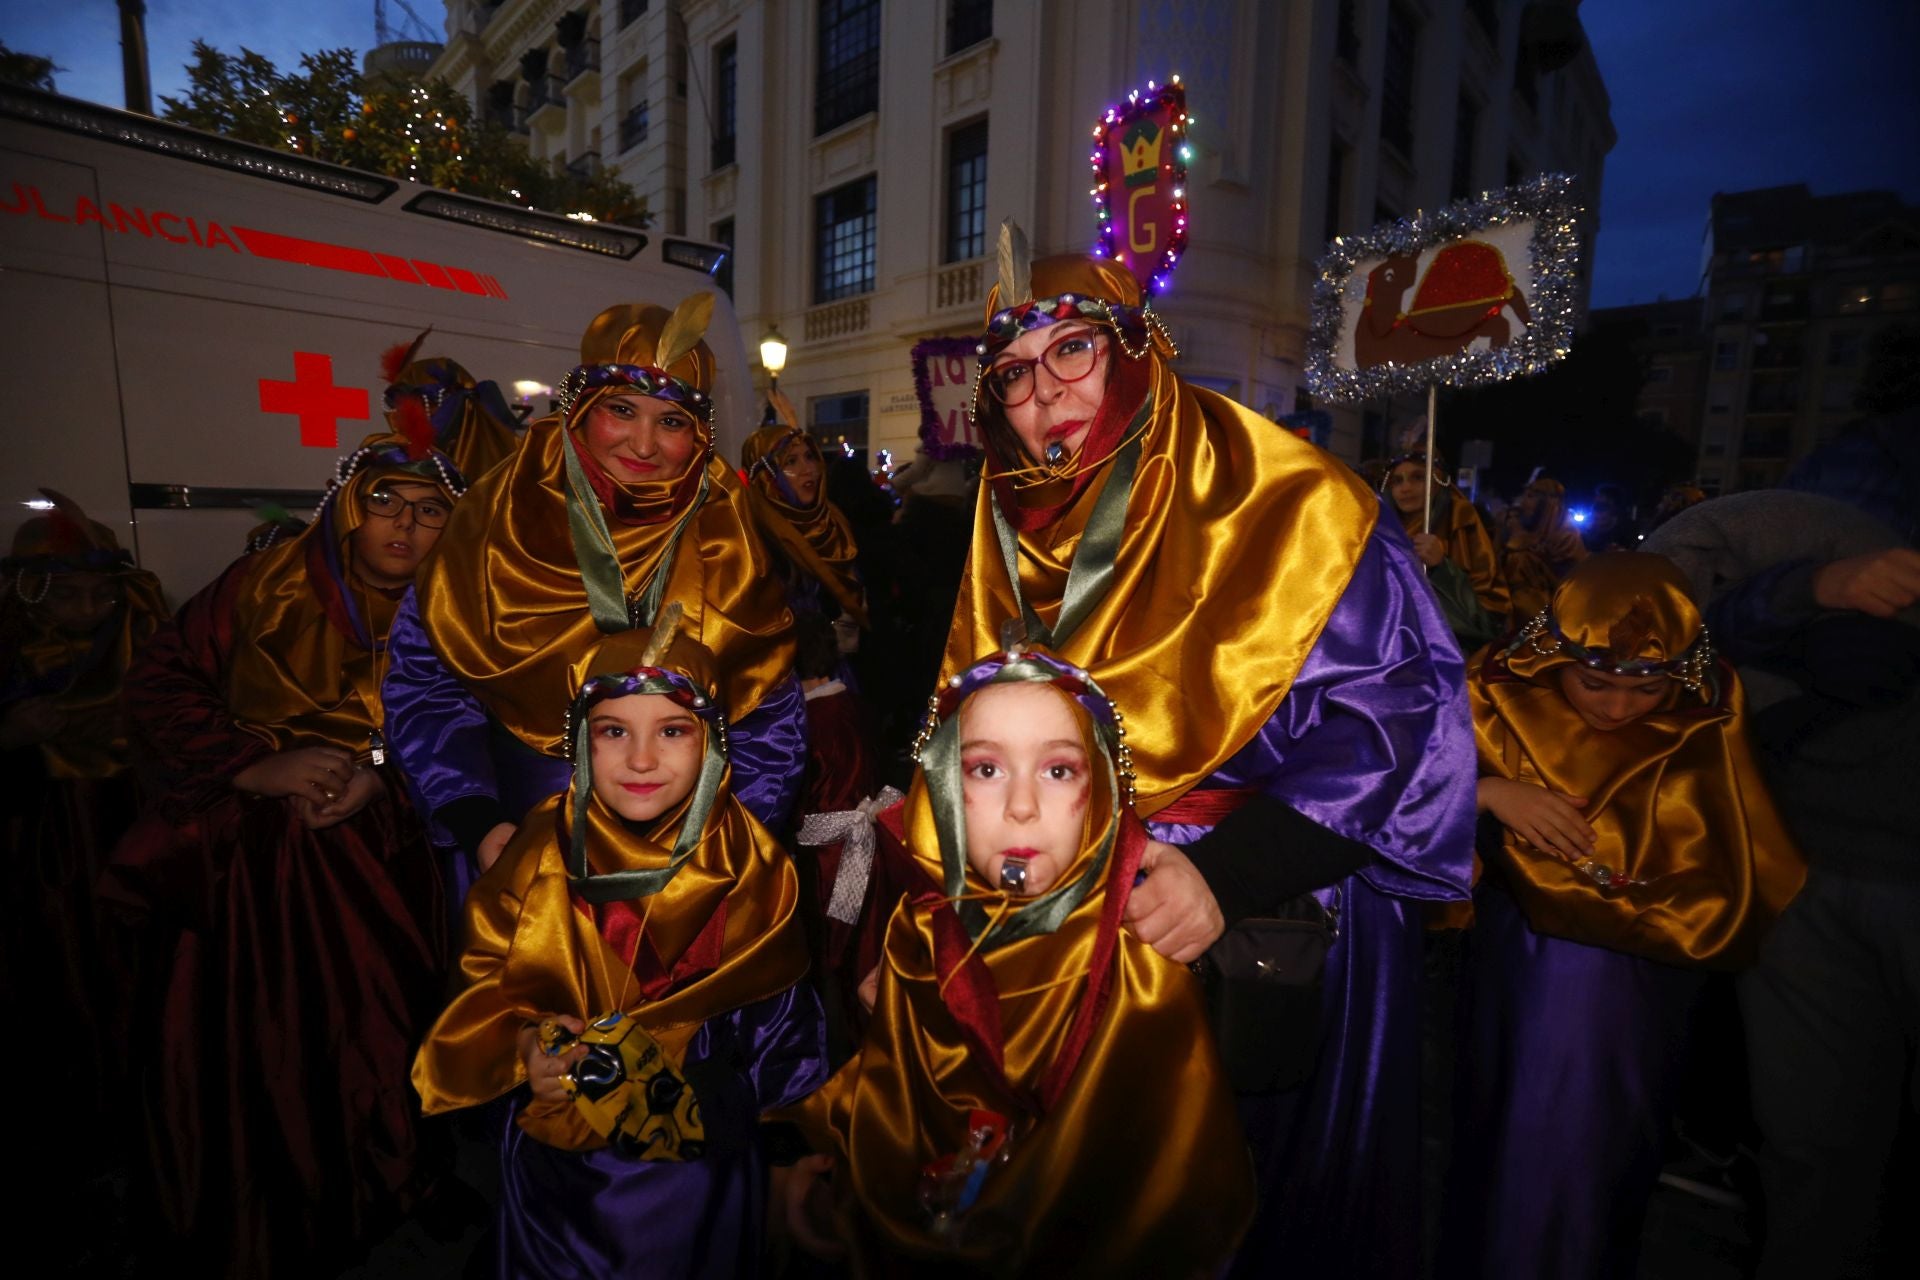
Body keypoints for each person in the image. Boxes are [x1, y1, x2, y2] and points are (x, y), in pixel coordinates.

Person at [946, 239, 1473, 1275]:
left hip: (1266, 920)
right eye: (1015, 370)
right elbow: (967, 722)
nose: (1044, 390)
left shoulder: (1298, 504)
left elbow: (1393, 711)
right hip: (1064, 917)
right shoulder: (1007, 519)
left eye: (1075, 350)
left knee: (1249, 1204)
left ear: (1141, 354)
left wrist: (1227, 875)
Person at [102, 431, 466, 1277]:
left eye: (429, 511)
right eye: (385, 502)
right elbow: (158, 681)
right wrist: (255, 766)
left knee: (378, 1025)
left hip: (378, 858)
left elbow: (462, 727)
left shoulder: (455, 613)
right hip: (252, 866)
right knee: (256, 1035)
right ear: (348, 504)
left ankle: (381, 1185)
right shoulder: (262, 583)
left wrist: (379, 773)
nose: (404, 528)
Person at [784, 645, 1255, 1274]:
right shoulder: (917, 934)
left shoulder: (1139, 974)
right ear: (943, 790)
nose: (1023, 806)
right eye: (985, 770)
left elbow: (1159, 1198)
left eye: (1058, 771)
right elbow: (895, 1110)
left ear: (1101, 793)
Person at [411, 613, 825, 1278]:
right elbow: (485, 983)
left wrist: (786, 1141)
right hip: (565, 1160)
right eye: (612, 731)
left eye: (672, 730)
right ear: (578, 742)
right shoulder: (537, 852)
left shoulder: (753, 863)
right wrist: (524, 1046)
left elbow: (783, 1017)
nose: (640, 758)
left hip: (705, 1161)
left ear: (714, 742)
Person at [1440, 552, 1804, 1279]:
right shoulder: (1497, 697)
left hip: (1651, 973)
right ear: (1553, 660)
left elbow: (1734, 855)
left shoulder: (1707, 717)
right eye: (1594, 682)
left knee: (1608, 1146)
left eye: (1645, 687)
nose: (1614, 708)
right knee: (1513, 1131)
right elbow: (1404, 796)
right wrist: (1484, 795)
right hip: (1527, 962)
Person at [382, 294, 802, 900]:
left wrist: (722, 843)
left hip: (691, 857)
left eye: (673, 421)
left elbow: (767, 711)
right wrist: (474, 816)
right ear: (580, 409)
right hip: (518, 846)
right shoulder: (501, 513)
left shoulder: (726, 534)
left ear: (700, 434)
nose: (643, 445)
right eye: (622, 410)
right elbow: (428, 678)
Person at [0, 491, 169, 1177]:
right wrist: (9, 734)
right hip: (41, 835)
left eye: (99, 594)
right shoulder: (11, 645)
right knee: (58, 962)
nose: (84, 608)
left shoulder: (139, 637)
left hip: (127, 820)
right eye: (67, 593)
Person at [737, 412, 869, 642]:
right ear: (768, 478)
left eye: (809, 456)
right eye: (791, 461)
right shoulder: (752, 535)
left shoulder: (834, 519)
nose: (808, 469)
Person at [1381, 449, 1510, 647]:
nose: (1405, 488)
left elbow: (1490, 617)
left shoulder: (1461, 521)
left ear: (1438, 480)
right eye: (1397, 481)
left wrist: (1442, 569)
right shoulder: (1382, 529)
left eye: (1418, 477)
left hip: (1446, 651)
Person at [1501, 474, 1589, 619]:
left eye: (1531, 496)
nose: (1523, 503)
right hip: (1512, 610)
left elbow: (1573, 581)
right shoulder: (1517, 528)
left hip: (1550, 614)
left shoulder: (1566, 536)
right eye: (1526, 495)